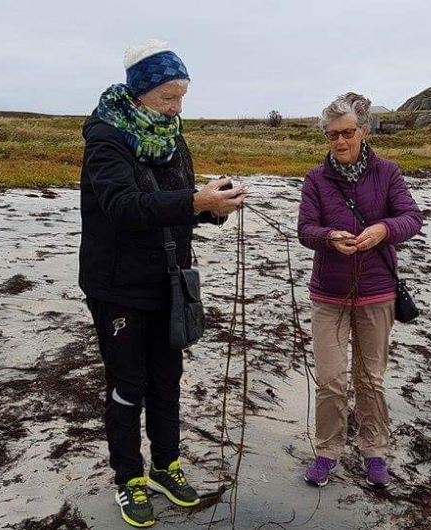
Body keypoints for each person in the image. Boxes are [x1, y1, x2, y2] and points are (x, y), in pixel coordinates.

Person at [79, 40, 245, 528]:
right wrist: (195, 203)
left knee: (167, 380)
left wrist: (215, 206)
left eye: (182, 97)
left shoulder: (172, 134)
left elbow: (177, 203)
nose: (177, 108)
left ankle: (164, 466)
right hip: (117, 286)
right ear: (140, 92)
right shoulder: (106, 138)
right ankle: (127, 478)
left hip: (170, 281)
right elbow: (124, 208)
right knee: (128, 386)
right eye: (168, 98)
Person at [297, 92, 424, 489]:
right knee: (331, 381)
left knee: (371, 380)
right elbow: (305, 230)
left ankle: (374, 451)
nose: (339, 141)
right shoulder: (316, 179)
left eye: (347, 132)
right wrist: (329, 236)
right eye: (332, 134)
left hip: (377, 293)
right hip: (328, 297)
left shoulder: (387, 172)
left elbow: (412, 217)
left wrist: (383, 230)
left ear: (364, 132)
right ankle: (327, 451)